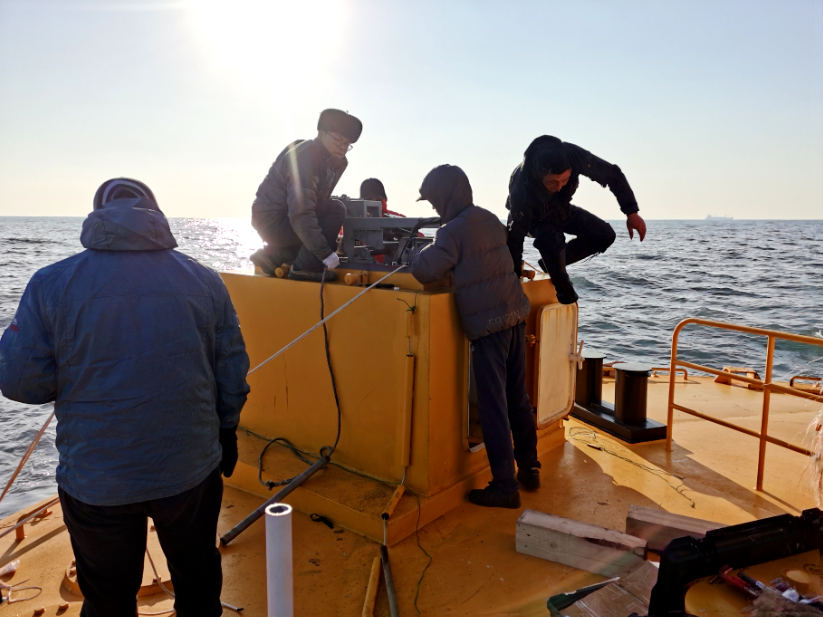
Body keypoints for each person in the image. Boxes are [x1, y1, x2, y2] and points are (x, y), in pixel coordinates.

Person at [0, 178, 251, 617]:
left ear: (97, 215)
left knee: (108, 600)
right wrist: (226, 430)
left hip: (97, 478)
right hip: (189, 470)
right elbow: (230, 371)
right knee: (198, 584)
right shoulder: (204, 280)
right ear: (155, 214)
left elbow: (21, 384)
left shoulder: (50, 282)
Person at [409, 165, 538, 509]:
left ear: (446, 196)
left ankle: (505, 486)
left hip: (489, 329)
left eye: (434, 200)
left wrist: (411, 253)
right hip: (515, 317)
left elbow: (425, 269)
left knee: (493, 407)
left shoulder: (450, 233)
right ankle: (530, 467)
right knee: (517, 397)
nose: (433, 207)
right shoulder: (489, 218)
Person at [506, 135, 646, 304]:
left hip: (562, 210)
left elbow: (612, 174)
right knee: (566, 289)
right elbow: (515, 238)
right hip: (532, 220)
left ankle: (551, 263)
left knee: (605, 235)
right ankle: (555, 267)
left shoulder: (573, 155)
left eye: (565, 180)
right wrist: (514, 279)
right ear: (538, 175)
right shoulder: (521, 189)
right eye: (552, 182)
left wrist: (631, 212)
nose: (559, 187)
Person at [250, 109, 363, 282]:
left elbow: (315, 202)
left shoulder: (328, 159)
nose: (342, 147)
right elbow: (301, 213)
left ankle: (273, 256)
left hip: (273, 219)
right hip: (274, 221)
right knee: (336, 209)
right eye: (338, 140)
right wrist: (325, 254)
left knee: (326, 213)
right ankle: (305, 268)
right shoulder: (306, 157)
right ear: (321, 133)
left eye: (347, 144)